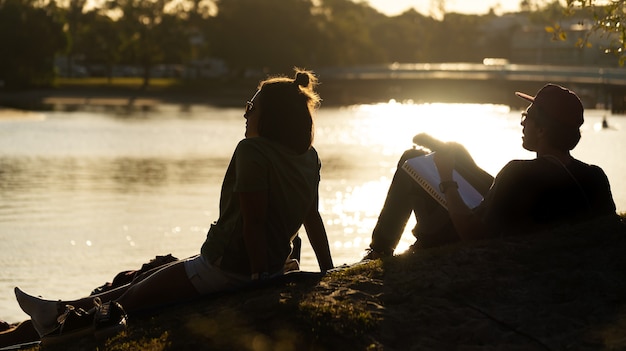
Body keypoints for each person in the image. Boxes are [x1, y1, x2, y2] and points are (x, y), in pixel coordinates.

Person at [12, 68, 334, 343]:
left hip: (224, 269)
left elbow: (254, 224)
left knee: (131, 299)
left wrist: (258, 284)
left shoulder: (252, 152)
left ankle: (61, 328)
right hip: (247, 265)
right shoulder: (309, 158)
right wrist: (328, 271)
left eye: (252, 106)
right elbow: (312, 218)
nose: (245, 112)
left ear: (271, 118)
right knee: (138, 284)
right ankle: (56, 309)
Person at [364, 83, 618, 259]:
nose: (523, 122)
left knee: (411, 159)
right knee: (457, 152)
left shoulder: (519, 174)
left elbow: (472, 234)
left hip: (480, 228)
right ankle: (453, 153)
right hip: (522, 213)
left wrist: (446, 180)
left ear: (542, 131)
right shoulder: (595, 176)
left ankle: (379, 250)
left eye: (527, 117)